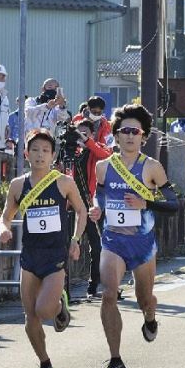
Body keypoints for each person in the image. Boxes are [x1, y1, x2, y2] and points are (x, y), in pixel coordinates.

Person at [89, 104, 180, 368]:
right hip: (113, 240)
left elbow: (173, 204)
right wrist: (97, 208)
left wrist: (146, 202)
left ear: (144, 136)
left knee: (144, 299)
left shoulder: (152, 167)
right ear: (115, 135)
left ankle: (150, 316)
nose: (129, 136)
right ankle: (116, 360)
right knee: (108, 293)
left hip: (142, 245)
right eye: (124, 131)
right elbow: (99, 196)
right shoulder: (104, 167)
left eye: (135, 131)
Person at [0, 129, 87, 368]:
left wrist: (76, 240)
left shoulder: (63, 182)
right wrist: (4, 230)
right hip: (30, 257)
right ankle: (45, 363)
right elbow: (5, 217)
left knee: (44, 310)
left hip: (55, 255)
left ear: (53, 156)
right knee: (30, 318)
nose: (39, 155)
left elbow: (81, 210)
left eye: (45, 151)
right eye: (34, 150)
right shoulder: (18, 185)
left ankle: (60, 306)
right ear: (26, 153)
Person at [72, 118, 112, 298]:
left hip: (93, 204)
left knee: (98, 246)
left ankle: (95, 285)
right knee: (72, 243)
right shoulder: (72, 152)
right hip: (75, 205)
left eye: (85, 133)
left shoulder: (96, 150)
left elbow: (106, 156)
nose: (81, 137)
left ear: (93, 134)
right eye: (78, 133)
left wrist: (88, 141)